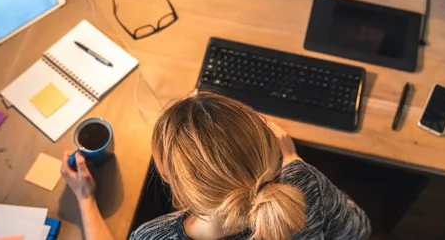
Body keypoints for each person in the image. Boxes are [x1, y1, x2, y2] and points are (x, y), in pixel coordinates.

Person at [62, 91, 371, 240]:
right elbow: (358, 230)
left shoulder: (154, 237)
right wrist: (295, 163)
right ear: (269, 149)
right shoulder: (304, 183)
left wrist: (86, 199)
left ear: (169, 176)